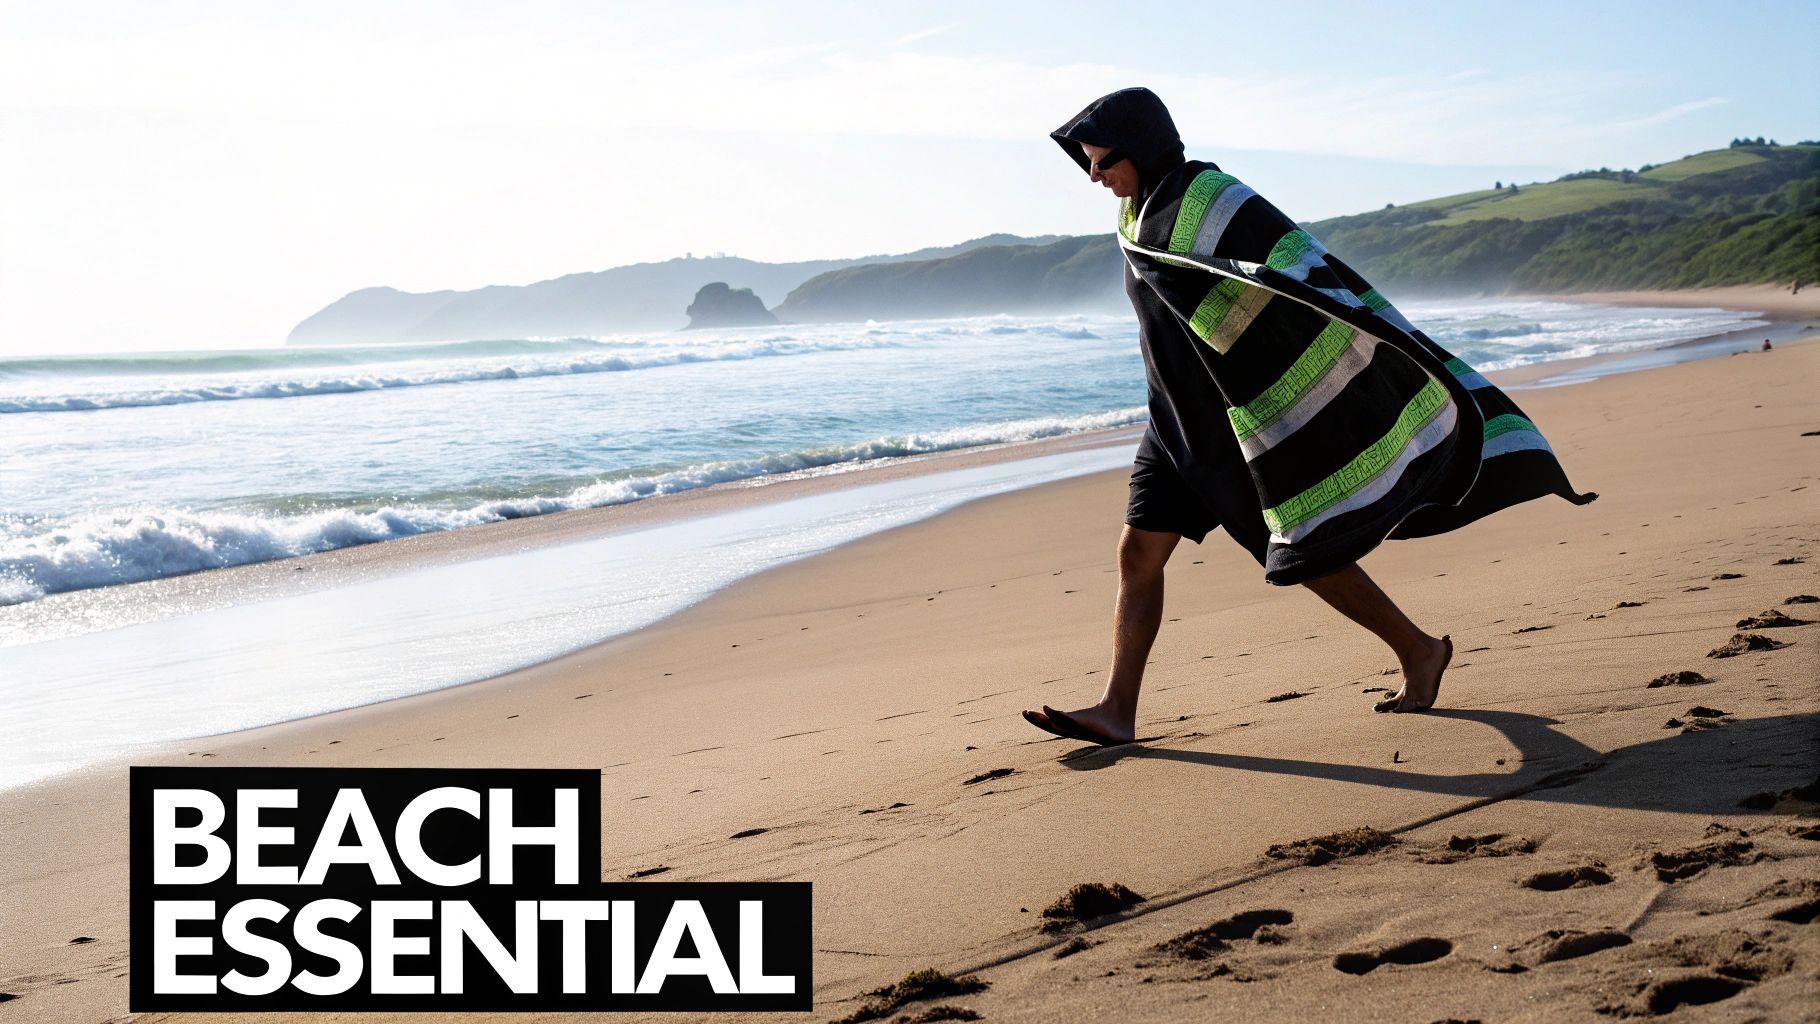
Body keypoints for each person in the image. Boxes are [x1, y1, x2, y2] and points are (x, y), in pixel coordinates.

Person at [1023, 88, 1597, 746]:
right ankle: (1117, 710)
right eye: (1087, 164)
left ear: (1147, 145)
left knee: (1306, 552)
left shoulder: (1212, 197)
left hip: (1238, 425)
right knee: (1138, 556)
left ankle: (1417, 650)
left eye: (1105, 159)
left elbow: (1296, 265)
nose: (1095, 175)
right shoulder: (1135, 218)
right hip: (1174, 423)